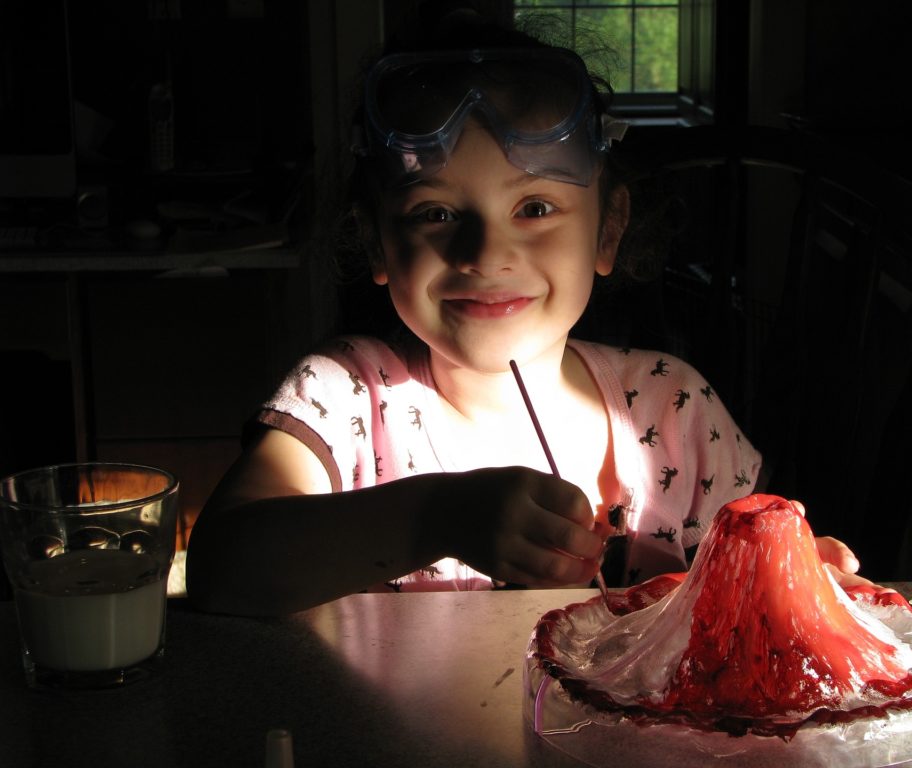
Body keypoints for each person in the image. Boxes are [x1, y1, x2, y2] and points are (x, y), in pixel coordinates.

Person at [185, 10, 863, 616]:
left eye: (534, 208)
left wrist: (790, 584)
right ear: (376, 242)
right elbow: (222, 571)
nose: (485, 253)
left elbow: (746, 596)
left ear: (607, 231)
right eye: (436, 213)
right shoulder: (347, 401)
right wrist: (435, 519)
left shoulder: (673, 409)